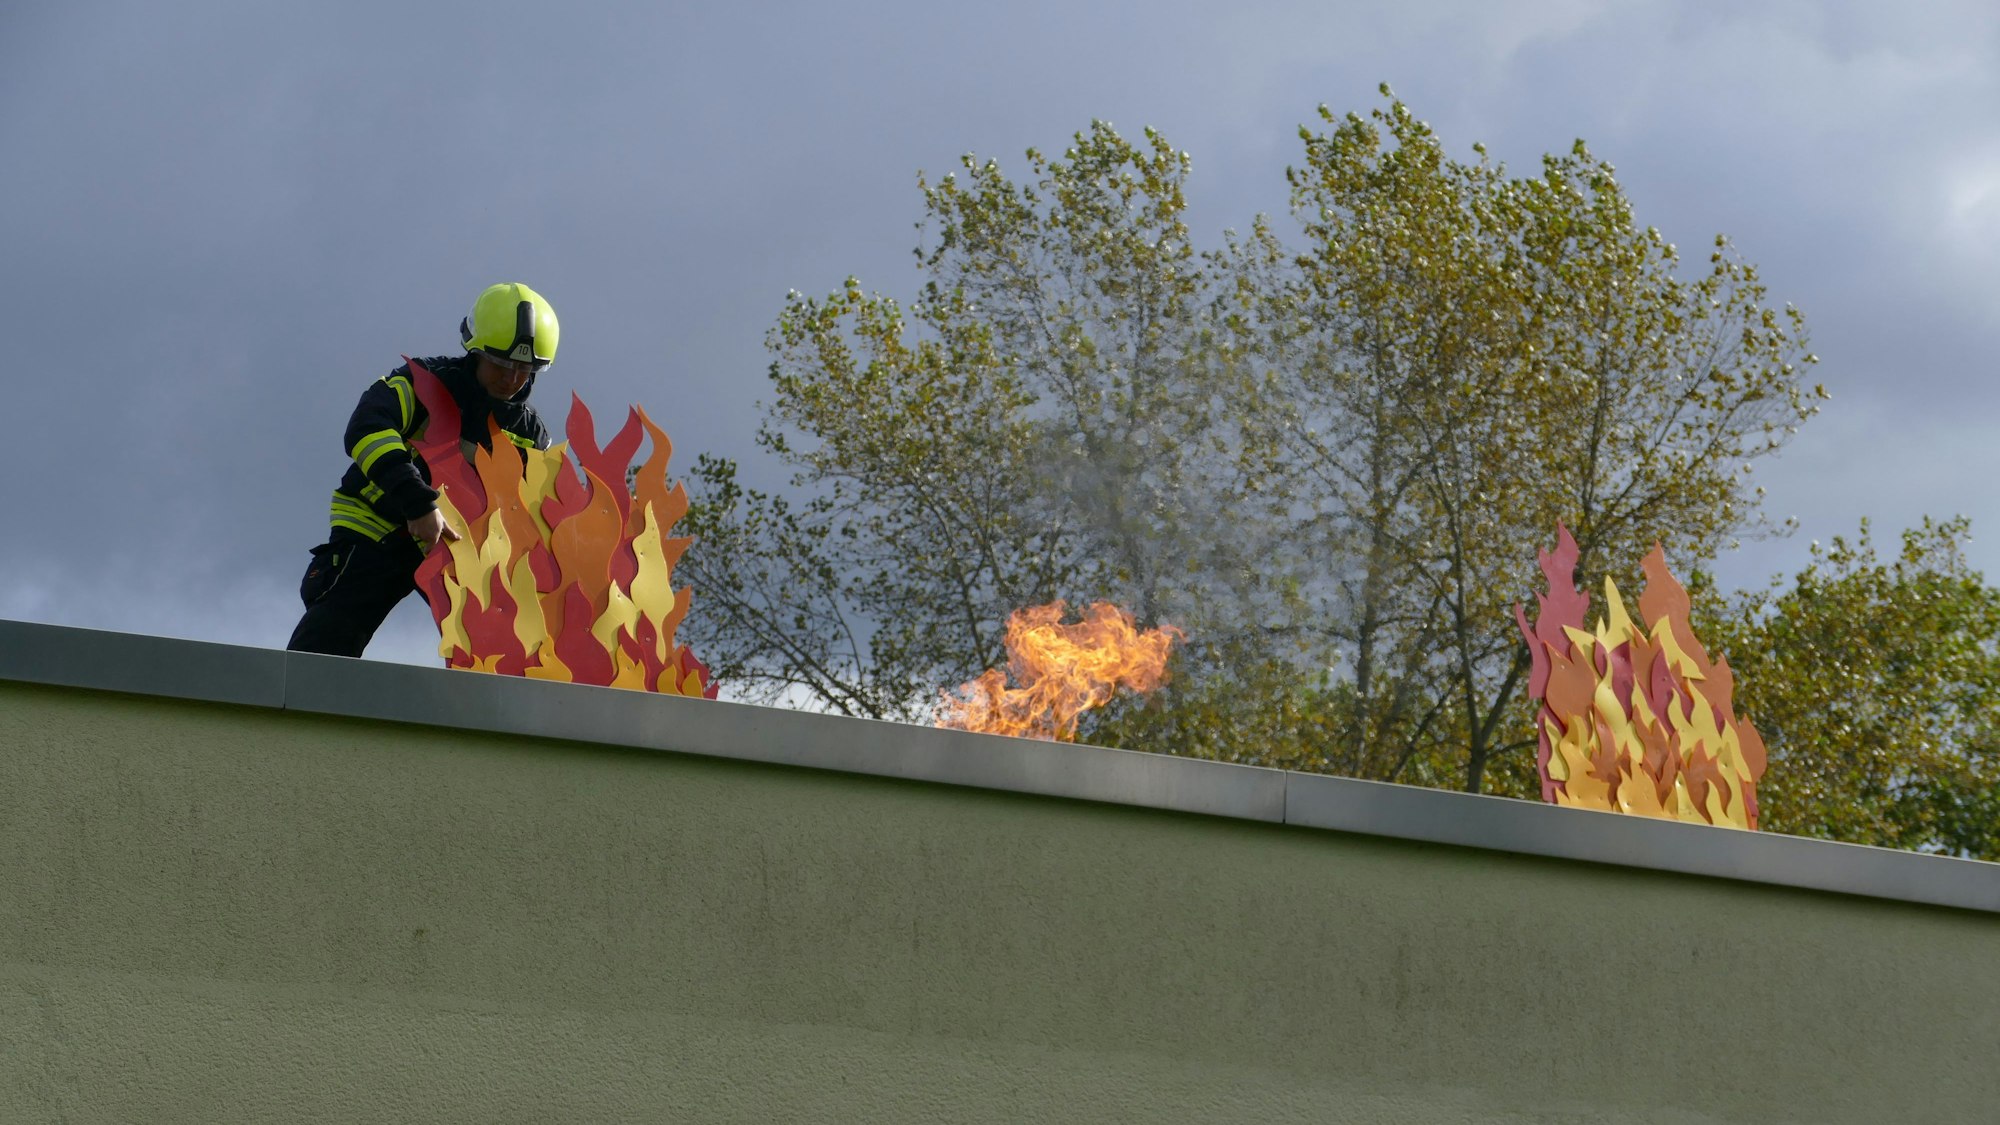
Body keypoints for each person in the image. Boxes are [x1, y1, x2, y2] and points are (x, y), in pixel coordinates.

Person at [286, 282, 558, 657]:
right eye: (500, 363)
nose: (511, 378)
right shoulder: (423, 383)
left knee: (497, 644)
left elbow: (532, 513)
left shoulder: (531, 434)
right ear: (475, 350)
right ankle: (296, 708)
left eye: (524, 368)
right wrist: (416, 503)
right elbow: (366, 427)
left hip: (460, 547)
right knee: (334, 628)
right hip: (377, 525)